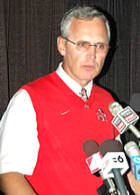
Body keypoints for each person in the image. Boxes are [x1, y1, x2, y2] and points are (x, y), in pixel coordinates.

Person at [0, 5, 140, 195]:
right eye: (82, 44)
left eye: (100, 46)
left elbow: (121, 172)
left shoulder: (109, 102)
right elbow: (9, 174)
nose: (92, 55)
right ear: (62, 45)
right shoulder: (29, 99)